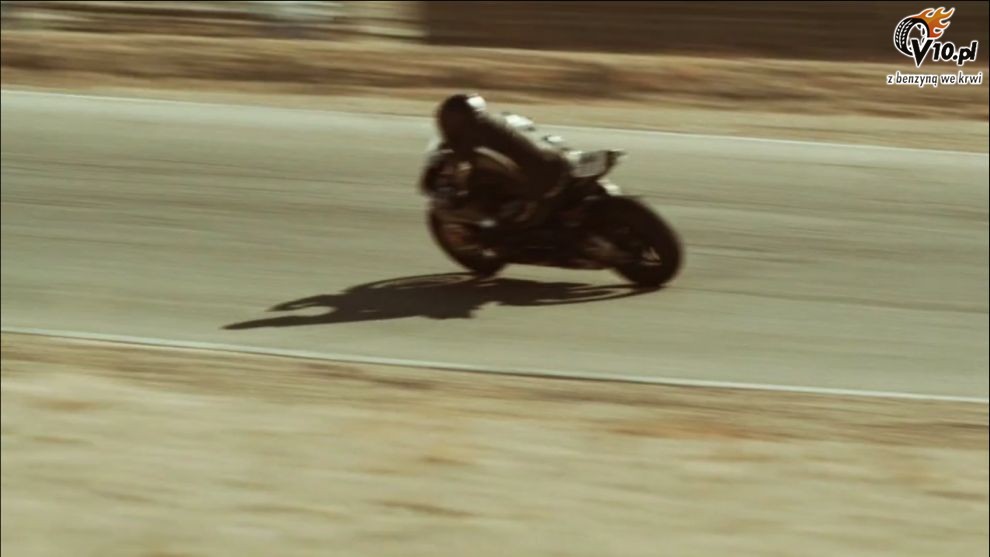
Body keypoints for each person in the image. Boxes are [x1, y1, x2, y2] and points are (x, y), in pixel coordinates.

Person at [433, 93, 576, 228]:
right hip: (555, 160)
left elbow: (465, 167)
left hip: (538, 184)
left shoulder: (471, 140)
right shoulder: (495, 120)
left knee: (497, 222)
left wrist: (458, 191)